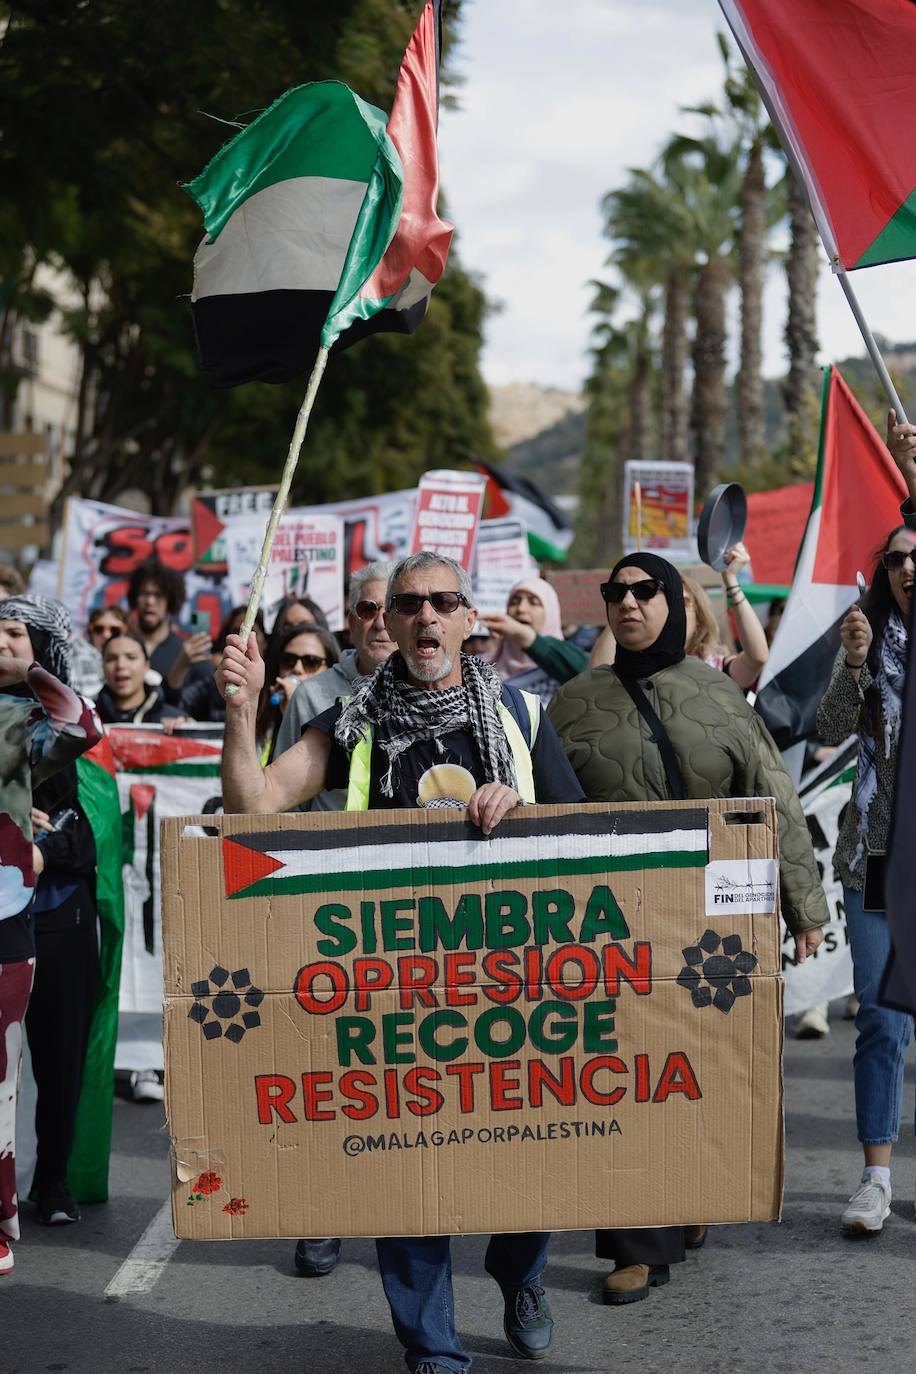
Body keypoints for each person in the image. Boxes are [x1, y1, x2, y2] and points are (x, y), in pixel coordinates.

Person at [217, 551, 585, 1372]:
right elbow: (251, 807)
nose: (424, 617)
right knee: (406, 1177)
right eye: (408, 604)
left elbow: (583, 844)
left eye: (441, 602)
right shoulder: (348, 722)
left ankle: (520, 1272)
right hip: (394, 991)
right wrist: (240, 714)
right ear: (385, 622)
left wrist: (518, 809)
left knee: (528, 1156)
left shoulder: (522, 718)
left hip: (508, 988)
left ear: (466, 618)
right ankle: (433, 1349)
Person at [547, 551, 827, 1306]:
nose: (628, 603)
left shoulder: (719, 697)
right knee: (624, 1074)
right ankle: (637, 1244)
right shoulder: (572, 704)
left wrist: (804, 907)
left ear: (674, 601)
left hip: (713, 927)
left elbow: (773, 797)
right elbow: (543, 813)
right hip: (608, 928)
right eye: (615, 593)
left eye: (644, 591)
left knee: (698, 1068)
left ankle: (694, 1189)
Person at [272, 560, 395, 1279]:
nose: (382, 620)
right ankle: (321, 1216)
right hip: (326, 914)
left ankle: (394, 1211)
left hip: (407, 916)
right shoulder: (316, 695)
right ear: (348, 619)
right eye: (369, 609)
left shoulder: (434, 687)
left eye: (394, 608)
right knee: (328, 1071)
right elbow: (278, 801)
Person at [816, 526, 916, 1235]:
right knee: (881, 1020)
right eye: (896, 558)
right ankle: (876, 1178)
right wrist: (855, 664)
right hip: (876, 855)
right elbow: (826, 725)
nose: (908, 565)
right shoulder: (866, 638)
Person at [0, 634, 100, 1273]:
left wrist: (27, 671)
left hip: (19, 924)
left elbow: (81, 726)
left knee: (15, 1082)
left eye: (13, 633)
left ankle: (21, 1202)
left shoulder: (17, 720)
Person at [482, 575, 588, 705]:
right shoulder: (482, 667)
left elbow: (590, 674)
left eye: (533, 602)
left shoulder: (565, 667)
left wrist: (523, 634)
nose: (521, 609)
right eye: (514, 602)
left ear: (550, 613)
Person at [682, 544, 768, 689]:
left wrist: (730, 579)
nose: (675, 609)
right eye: (669, 601)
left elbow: (757, 657)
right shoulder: (643, 667)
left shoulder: (715, 668)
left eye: (684, 602)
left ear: (699, 620)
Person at [255, 621, 340, 764]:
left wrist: (295, 712)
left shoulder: (341, 721)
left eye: (311, 662)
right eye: (288, 660)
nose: (297, 669)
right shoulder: (263, 721)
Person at [178, 606, 267, 724]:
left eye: (251, 631)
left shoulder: (277, 683)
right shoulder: (216, 679)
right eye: (237, 632)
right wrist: (183, 719)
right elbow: (180, 703)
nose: (243, 639)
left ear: (266, 641)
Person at [97, 632, 187, 725]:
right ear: (102, 667)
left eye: (131, 657)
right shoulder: (88, 720)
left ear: (146, 665)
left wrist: (186, 729)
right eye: (111, 659)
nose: (120, 665)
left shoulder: (173, 718)